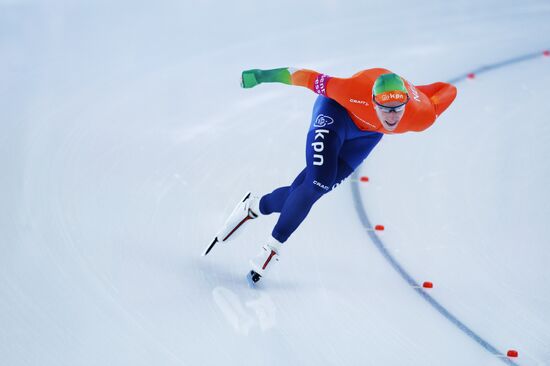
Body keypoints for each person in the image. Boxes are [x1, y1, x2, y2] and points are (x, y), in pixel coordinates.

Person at [204, 67, 457, 284]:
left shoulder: (420, 116)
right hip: (335, 115)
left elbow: (447, 90)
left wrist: (415, 90)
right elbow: (301, 76)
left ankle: (254, 206)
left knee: (306, 190)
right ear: (373, 100)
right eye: (385, 108)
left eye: (397, 108)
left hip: (366, 138)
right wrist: (260, 76)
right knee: (317, 182)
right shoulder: (351, 90)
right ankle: (271, 248)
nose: (392, 117)